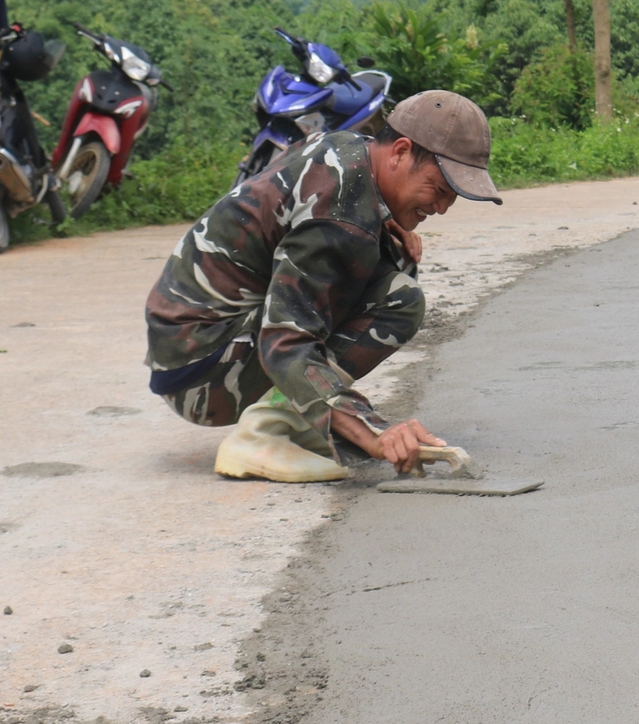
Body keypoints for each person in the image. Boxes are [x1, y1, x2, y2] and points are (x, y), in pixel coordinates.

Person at [144, 90, 502, 483]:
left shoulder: (349, 149)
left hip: (188, 346)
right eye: (438, 189)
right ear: (399, 152)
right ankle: (264, 433)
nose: (442, 208)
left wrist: (380, 222)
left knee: (392, 264)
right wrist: (373, 433)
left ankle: (300, 416)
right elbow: (286, 342)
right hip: (202, 375)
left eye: (453, 197)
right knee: (399, 298)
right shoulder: (341, 218)